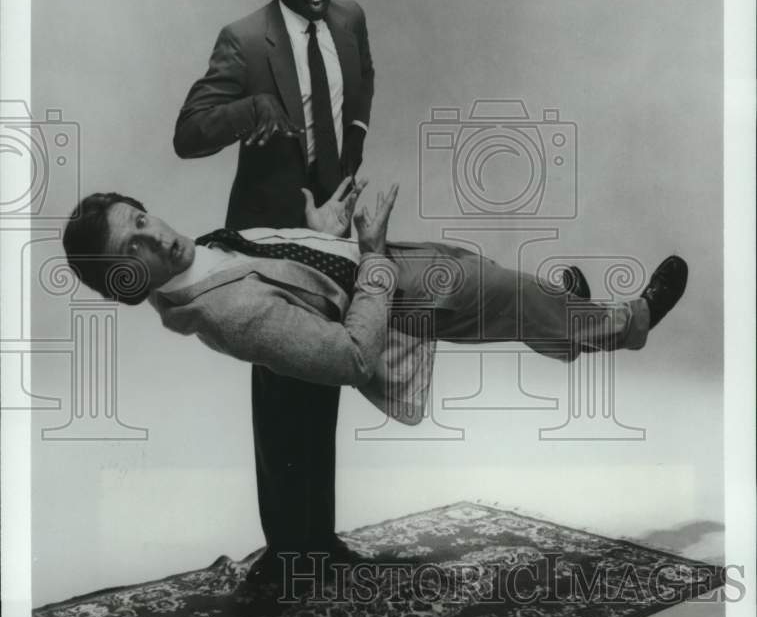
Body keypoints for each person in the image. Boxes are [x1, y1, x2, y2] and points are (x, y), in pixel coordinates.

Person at [63, 181, 688, 431]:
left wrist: (321, 232)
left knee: (504, 284)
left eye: (142, 218)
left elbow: (290, 266)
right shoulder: (223, 315)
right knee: (512, 292)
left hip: (385, 266)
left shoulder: (194, 255)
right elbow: (349, 356)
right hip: (402, 299)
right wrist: (370, 250)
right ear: (124, 282)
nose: (155, 236)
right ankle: (625, 323)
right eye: (134, 247)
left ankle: (561, 321)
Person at [173, 0, 374, 587]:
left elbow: (359, 90)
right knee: (280, 388)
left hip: (331, 232)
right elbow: (189, 133)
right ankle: (287, 553)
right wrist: (252, 107)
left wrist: (350, 164)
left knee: (323, 377)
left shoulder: (349, 19)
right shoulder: (243, 40)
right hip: (266, 239)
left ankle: (320, 540)